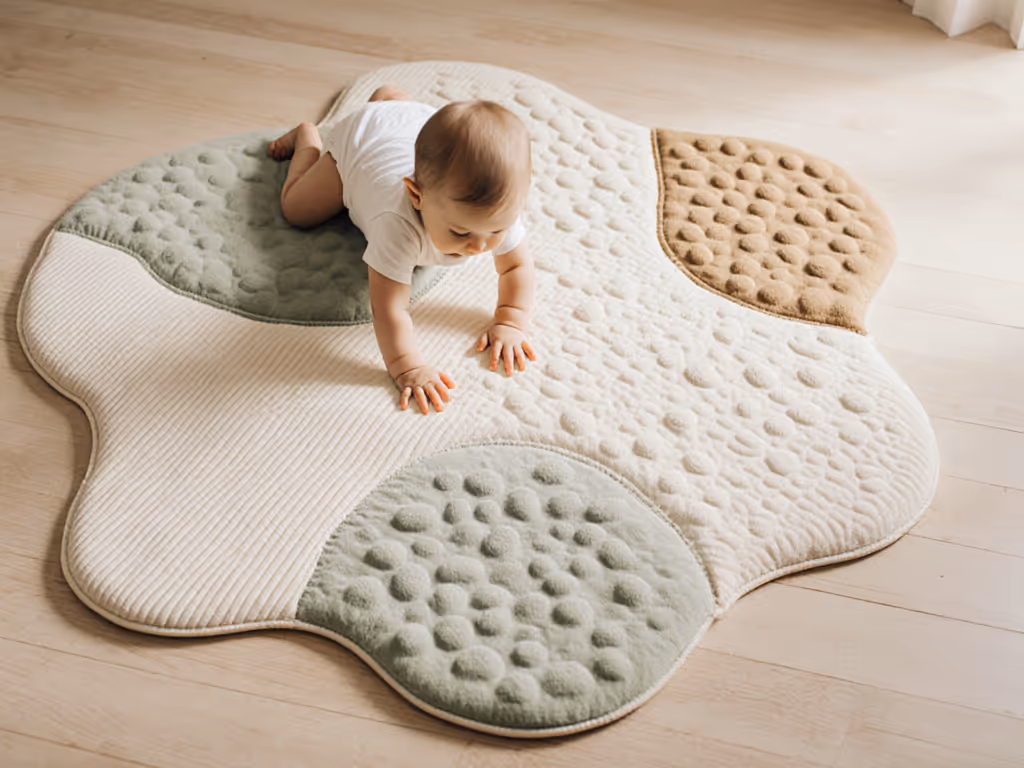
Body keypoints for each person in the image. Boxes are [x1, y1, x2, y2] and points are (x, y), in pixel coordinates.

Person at [268, 84, 536, 415]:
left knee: (434, 143)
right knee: (296, 210)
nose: (479, 246)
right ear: (416, 195)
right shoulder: (396, 226)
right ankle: (308, 139)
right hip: (361, 144)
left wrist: (510, 321)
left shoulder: (497, 211)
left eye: (496, 231)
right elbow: (388, 308)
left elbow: (516, 267)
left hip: (414, 124)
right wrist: (408, 366)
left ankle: (390, 99)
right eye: (460, 231)